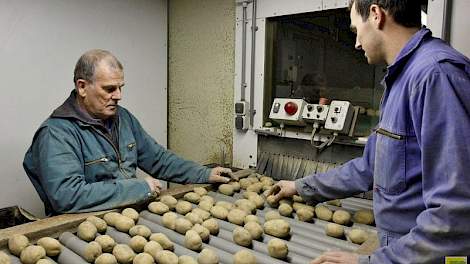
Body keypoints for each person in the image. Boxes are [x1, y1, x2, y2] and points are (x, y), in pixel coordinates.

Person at [270, 0, 470, 263]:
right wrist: (301, 186)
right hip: (401, 249)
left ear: (376, 15)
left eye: (355, 30)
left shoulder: (435, 75)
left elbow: (455, 215)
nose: (356, 43)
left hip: (421, 254)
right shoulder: (401, 79)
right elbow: (371, 167)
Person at [23, 49, 233, 216]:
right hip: (81, 229)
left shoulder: (122, 118)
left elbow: (158, 159)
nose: (119, 96)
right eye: (109, 89)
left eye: (121, 87)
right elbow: (67, 196)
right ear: (82, 87)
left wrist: (203, 173)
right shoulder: (56, 133)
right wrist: (140, 189)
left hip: (130, 216)